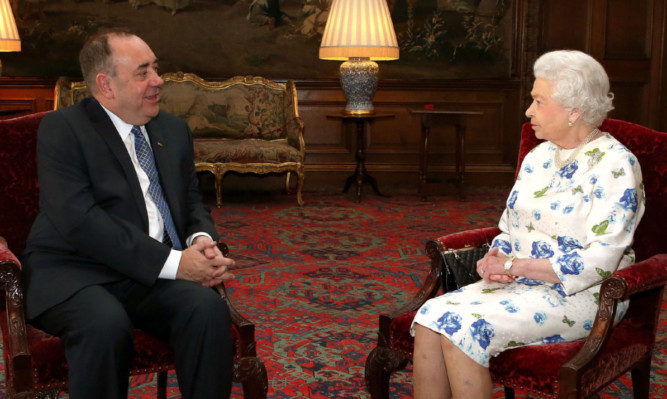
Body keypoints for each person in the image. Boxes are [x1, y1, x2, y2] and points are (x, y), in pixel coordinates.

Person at [411, 50, 646, 398]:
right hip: (522, 283)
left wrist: (515, 265)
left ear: (574, 110)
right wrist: (496, 258)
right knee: (430, 317)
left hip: (585, 294)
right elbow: (510, 227)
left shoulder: (616, 166)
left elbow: (599, 262)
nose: (528, 111)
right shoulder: (539, 156)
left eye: (538, 101)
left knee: (465, 328)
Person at [22, 29, 236, 399]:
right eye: (143, 72)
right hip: (77, 271)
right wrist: (175, 263)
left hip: (148, 275)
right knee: (105, 325)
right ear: (106, 85)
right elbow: (80, 221)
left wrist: (200, 240)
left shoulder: (173, 129)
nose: (158, 80)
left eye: (155, 68)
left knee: (206, 310)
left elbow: (190, 199)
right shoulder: (63, 130)